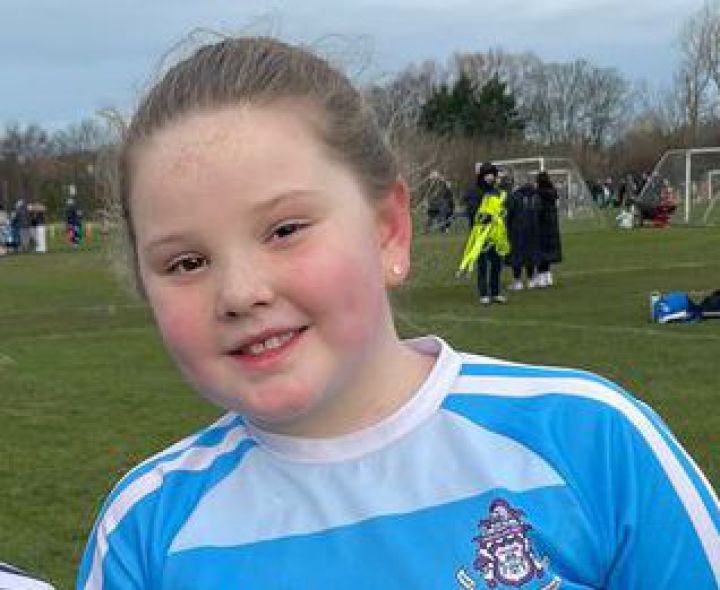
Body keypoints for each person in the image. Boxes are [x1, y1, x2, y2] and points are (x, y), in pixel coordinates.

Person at [77, 35, 720, 590]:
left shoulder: (591, 443)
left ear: (388, 230)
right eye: (186, 262)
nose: (241, 292)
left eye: (285, 229)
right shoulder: (146, 533)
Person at [458, 162, 510, 304]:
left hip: (495, 232)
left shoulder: (497, 192)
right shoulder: (474, 191)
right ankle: (484, 293)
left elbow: (503, 207)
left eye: (492, 174)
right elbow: (472, 210)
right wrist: (483, 217)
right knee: (482, 263)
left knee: (497, 263)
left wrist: (501, 215)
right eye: (487, 174)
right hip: (480, 233)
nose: (490, 177)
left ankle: (496, 292)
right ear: (482, 175)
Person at [505, 180, 542, 290]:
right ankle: (531, 280)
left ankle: (517, 281)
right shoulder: (536, 197)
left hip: (517, 231)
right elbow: (539, 212)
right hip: (533, 231)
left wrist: (507, 228)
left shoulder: (514, 197)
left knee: (517, 256)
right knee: (530, 255)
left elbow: (509, 214)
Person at [536, 171, 562, 288]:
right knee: (549, 251)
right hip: (552, 225)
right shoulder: (553, 192)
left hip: (541, 225)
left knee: (540, 251)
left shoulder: (538, 194)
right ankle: (548, 277)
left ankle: (542, 278)